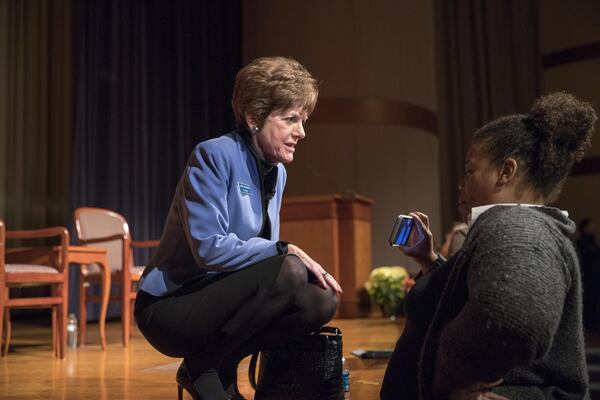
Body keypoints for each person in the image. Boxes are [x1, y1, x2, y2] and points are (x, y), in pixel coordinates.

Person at [134, 56, 342, 400]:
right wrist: (285, 249)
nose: (301, 132)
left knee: (321, 299)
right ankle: (207, 367)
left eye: (302, 120)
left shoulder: (278, 171)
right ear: (253, 118)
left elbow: (260, 262)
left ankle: (213, 363)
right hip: (171, 306)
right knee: (289, 268)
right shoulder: (214, 155)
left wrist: (281, 254)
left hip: (223, 297)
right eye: (290, 119)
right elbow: (208, 249)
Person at [381, 92, 596, 400]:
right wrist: (430, 261)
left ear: (505, 172)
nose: (461, 184)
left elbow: (513, 318)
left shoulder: (517, 226)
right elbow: (467, 301)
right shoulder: (512, 227)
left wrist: (448, 380)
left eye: (470, 170)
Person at [577, 218, 600, 330]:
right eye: (590, 226)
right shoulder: (583, 242)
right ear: (584, 228)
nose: (592, 228)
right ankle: (590, 324)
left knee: (594, 299)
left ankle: (593, 322)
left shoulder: (592, 241)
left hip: (595, 275)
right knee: (590, 299)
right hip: (588, 275)